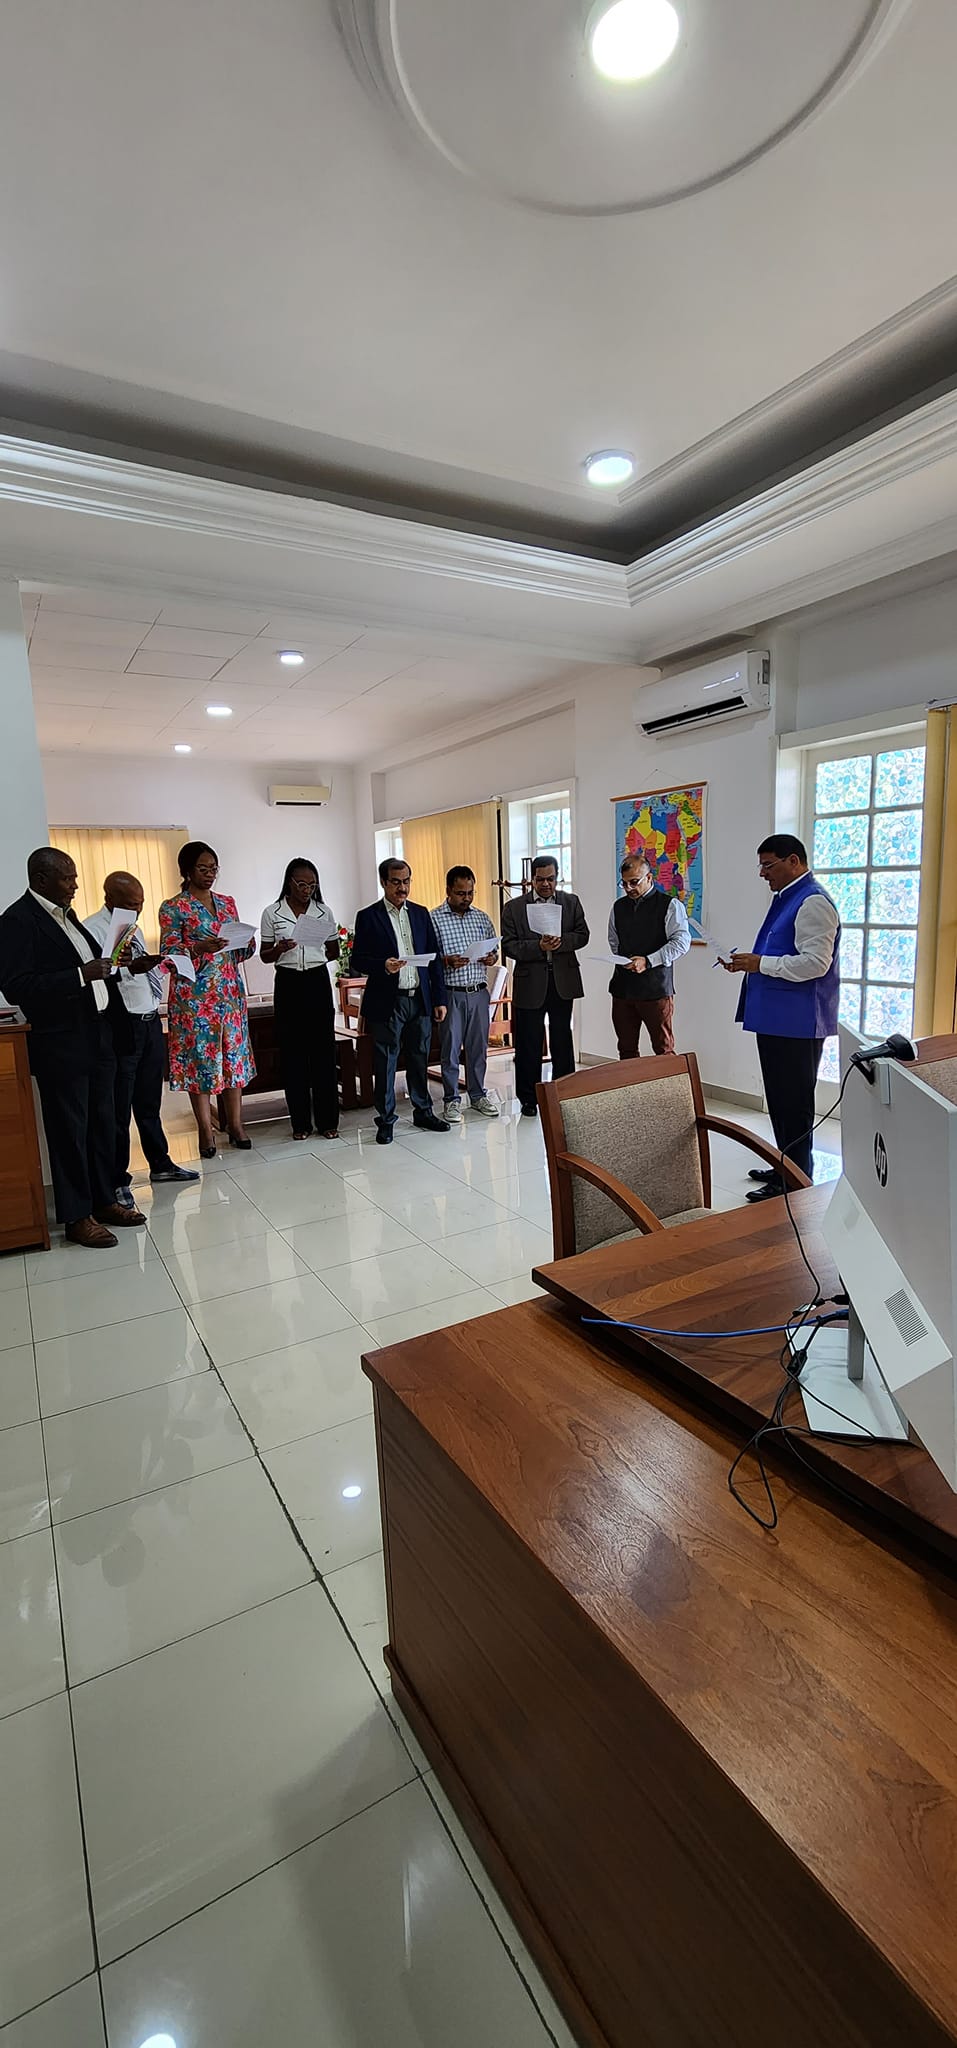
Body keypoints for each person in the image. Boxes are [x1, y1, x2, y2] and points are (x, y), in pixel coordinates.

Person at [0, 848, 146, 1246]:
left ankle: (103, 1201)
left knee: (102, 1124)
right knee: (69, 1132)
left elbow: (95, 969)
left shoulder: (68, 917)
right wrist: (79, 975)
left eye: (75, 877)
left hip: (98, 1034)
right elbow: (17, 985)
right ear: (41, 879)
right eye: (68, 878)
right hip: (61, 1043)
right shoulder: (16, 921)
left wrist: (122, 966)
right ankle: (77, 1216)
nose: (76, 885)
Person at [724, 833, 840, 1201]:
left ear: (794, 861)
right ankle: (785, 1164)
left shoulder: (813, 902)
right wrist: (750, 963)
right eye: (761, 865)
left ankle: (795, 1178)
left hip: (798, 1021)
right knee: (780, 1098)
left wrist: (762, 964)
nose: (762, 873)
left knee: (794, 1102)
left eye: (768, 865)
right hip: (777, 1018)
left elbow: (815, 964)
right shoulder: (787, 898)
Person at [85, 873, 201, 1203]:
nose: (138, 909)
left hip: (150, 1021)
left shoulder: (130, 926)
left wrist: (159, 967)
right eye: (131, 904)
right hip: (122, 1026)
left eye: (141, 903)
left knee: (149, 1103)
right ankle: (118, 1179)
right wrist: (128, 969)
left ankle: (160, 1164)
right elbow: (98, 978)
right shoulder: (94, 929)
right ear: (109, 898)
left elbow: (135, 971)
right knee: (119, 1109)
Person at [158, 842, 256, 1158]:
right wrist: (200, 948)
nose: (210, 874)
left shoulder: (227, 903)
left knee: (232, 1058)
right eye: (203, 868)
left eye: (214, 868)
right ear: (186, 870)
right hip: (194, 999)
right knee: (201, 1061)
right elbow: (168, 955)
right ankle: (204, 1128)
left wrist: (246, 942)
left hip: (228, 994)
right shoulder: (173, 907)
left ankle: (237, 1125)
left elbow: (239, 953)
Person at [351, 858, 448, 1145]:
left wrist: (439, 998)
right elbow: (357, 961)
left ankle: (423, 1111)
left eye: (406, 881)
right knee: (386, 1061)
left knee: (419, 1057)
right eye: (396, 881)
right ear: (383, 882)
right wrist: (383, 965)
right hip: (387, 1000)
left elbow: (434, 959)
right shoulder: (368, 916)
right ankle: (386, 1119)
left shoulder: (420, 914)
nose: (402, 887)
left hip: (419, 997)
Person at [260, 858, 341, 1141]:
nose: (307, 889)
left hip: (317, 981)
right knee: (293, 1054)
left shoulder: (323, 911)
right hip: (288, 982)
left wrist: (318, 947)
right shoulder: (273, 912)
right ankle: (300, 1124)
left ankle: (328, 1121)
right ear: (289, 882)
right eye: (302, 884)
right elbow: (265, 955)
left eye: (312, 884)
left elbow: (334, 951)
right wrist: (281, 948)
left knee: (323, 1052)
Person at [501, 855, 589, 1116]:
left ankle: (565, 1092)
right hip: (530, 982)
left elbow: (583, 935)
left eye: (550, 879)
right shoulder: (515, 908)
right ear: (531, 880)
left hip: (563, 980)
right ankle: (529, 1099)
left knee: (562, 1037)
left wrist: (562, 942)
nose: (546, 885)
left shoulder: (570, 902)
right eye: (540, 880)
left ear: (557, 877)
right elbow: (508, 945)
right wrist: (537, 947)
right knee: (529, 1041)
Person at [431, 865, 500, 1121]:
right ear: (448, 890)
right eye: (461, 893)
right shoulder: (434, 918)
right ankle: (451, 1100)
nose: (467, 898)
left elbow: (494, 951)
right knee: (450, 1049)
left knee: (478, 1048)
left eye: (470, 892)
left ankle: (478, 1095)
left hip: (478, 991)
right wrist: (446, 960)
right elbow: (429, 958)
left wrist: (492, 958)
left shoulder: (481, 918)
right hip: (452, 993)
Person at [607, 854, 691, 1057]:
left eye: (634, 882)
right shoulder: (618, 906)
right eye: (624, 883)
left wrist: (649, 961)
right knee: (626, 1049)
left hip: (655, 990)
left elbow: (681, 942)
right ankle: (631, 1089)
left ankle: (667, 1090)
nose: (628, 888)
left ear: (649, 878)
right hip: (623, 988)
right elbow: (614, 940)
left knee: (663, 1049)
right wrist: (624, 959)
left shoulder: (670, 905)